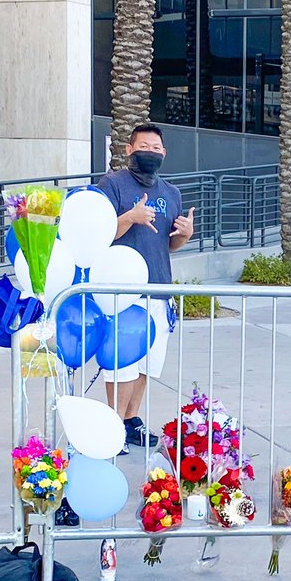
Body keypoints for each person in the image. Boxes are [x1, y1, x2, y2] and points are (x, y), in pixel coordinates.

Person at [95, 124, 194, 452]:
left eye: (155, 148)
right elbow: (100, 235)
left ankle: (130, 420)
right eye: (143, 146)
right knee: (121, 362)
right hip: (123, 293)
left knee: (147, 363)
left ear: (164, 153)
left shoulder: (171, 193)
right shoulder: (112, 185)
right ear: (129, 150)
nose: (149, 152)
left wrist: (185, 234)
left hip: (159, 289)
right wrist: (130, 217)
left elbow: (169, 244)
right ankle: (112, 427)